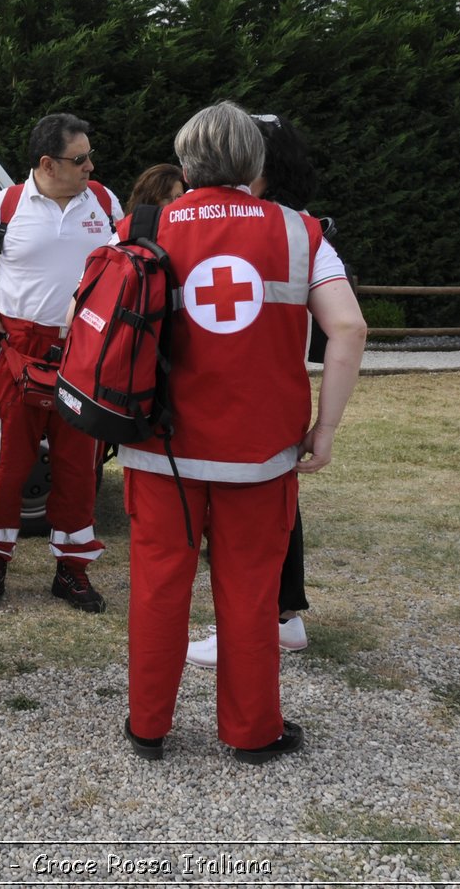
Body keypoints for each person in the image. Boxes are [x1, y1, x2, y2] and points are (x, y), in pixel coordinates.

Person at [119, 102, 365, 765]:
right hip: (259, 453)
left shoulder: (142, 224)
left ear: (186, 159)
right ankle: (253, 732)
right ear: (256, 161)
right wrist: (326, 426)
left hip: (159, 446)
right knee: (252, 591)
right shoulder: (300, 231)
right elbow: (349, 327)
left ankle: (148, 727)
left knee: (158, 584)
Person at [0, 113, 113, 613]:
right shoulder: (5, 205)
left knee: (80, 468)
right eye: (80, 159)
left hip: (83, 352)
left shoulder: (103, 202)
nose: (90, 166)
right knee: (6, 465)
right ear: (47, 164)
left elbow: (121, 266)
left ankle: (72, 572)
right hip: (18, 351)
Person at [185, 111, 321, 668]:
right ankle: (285, 617)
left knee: (249, 530)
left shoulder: (278, 227)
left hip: (244, 395)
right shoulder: (298, 225)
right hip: (275, 397)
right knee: (279, 516)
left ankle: (264, 622)